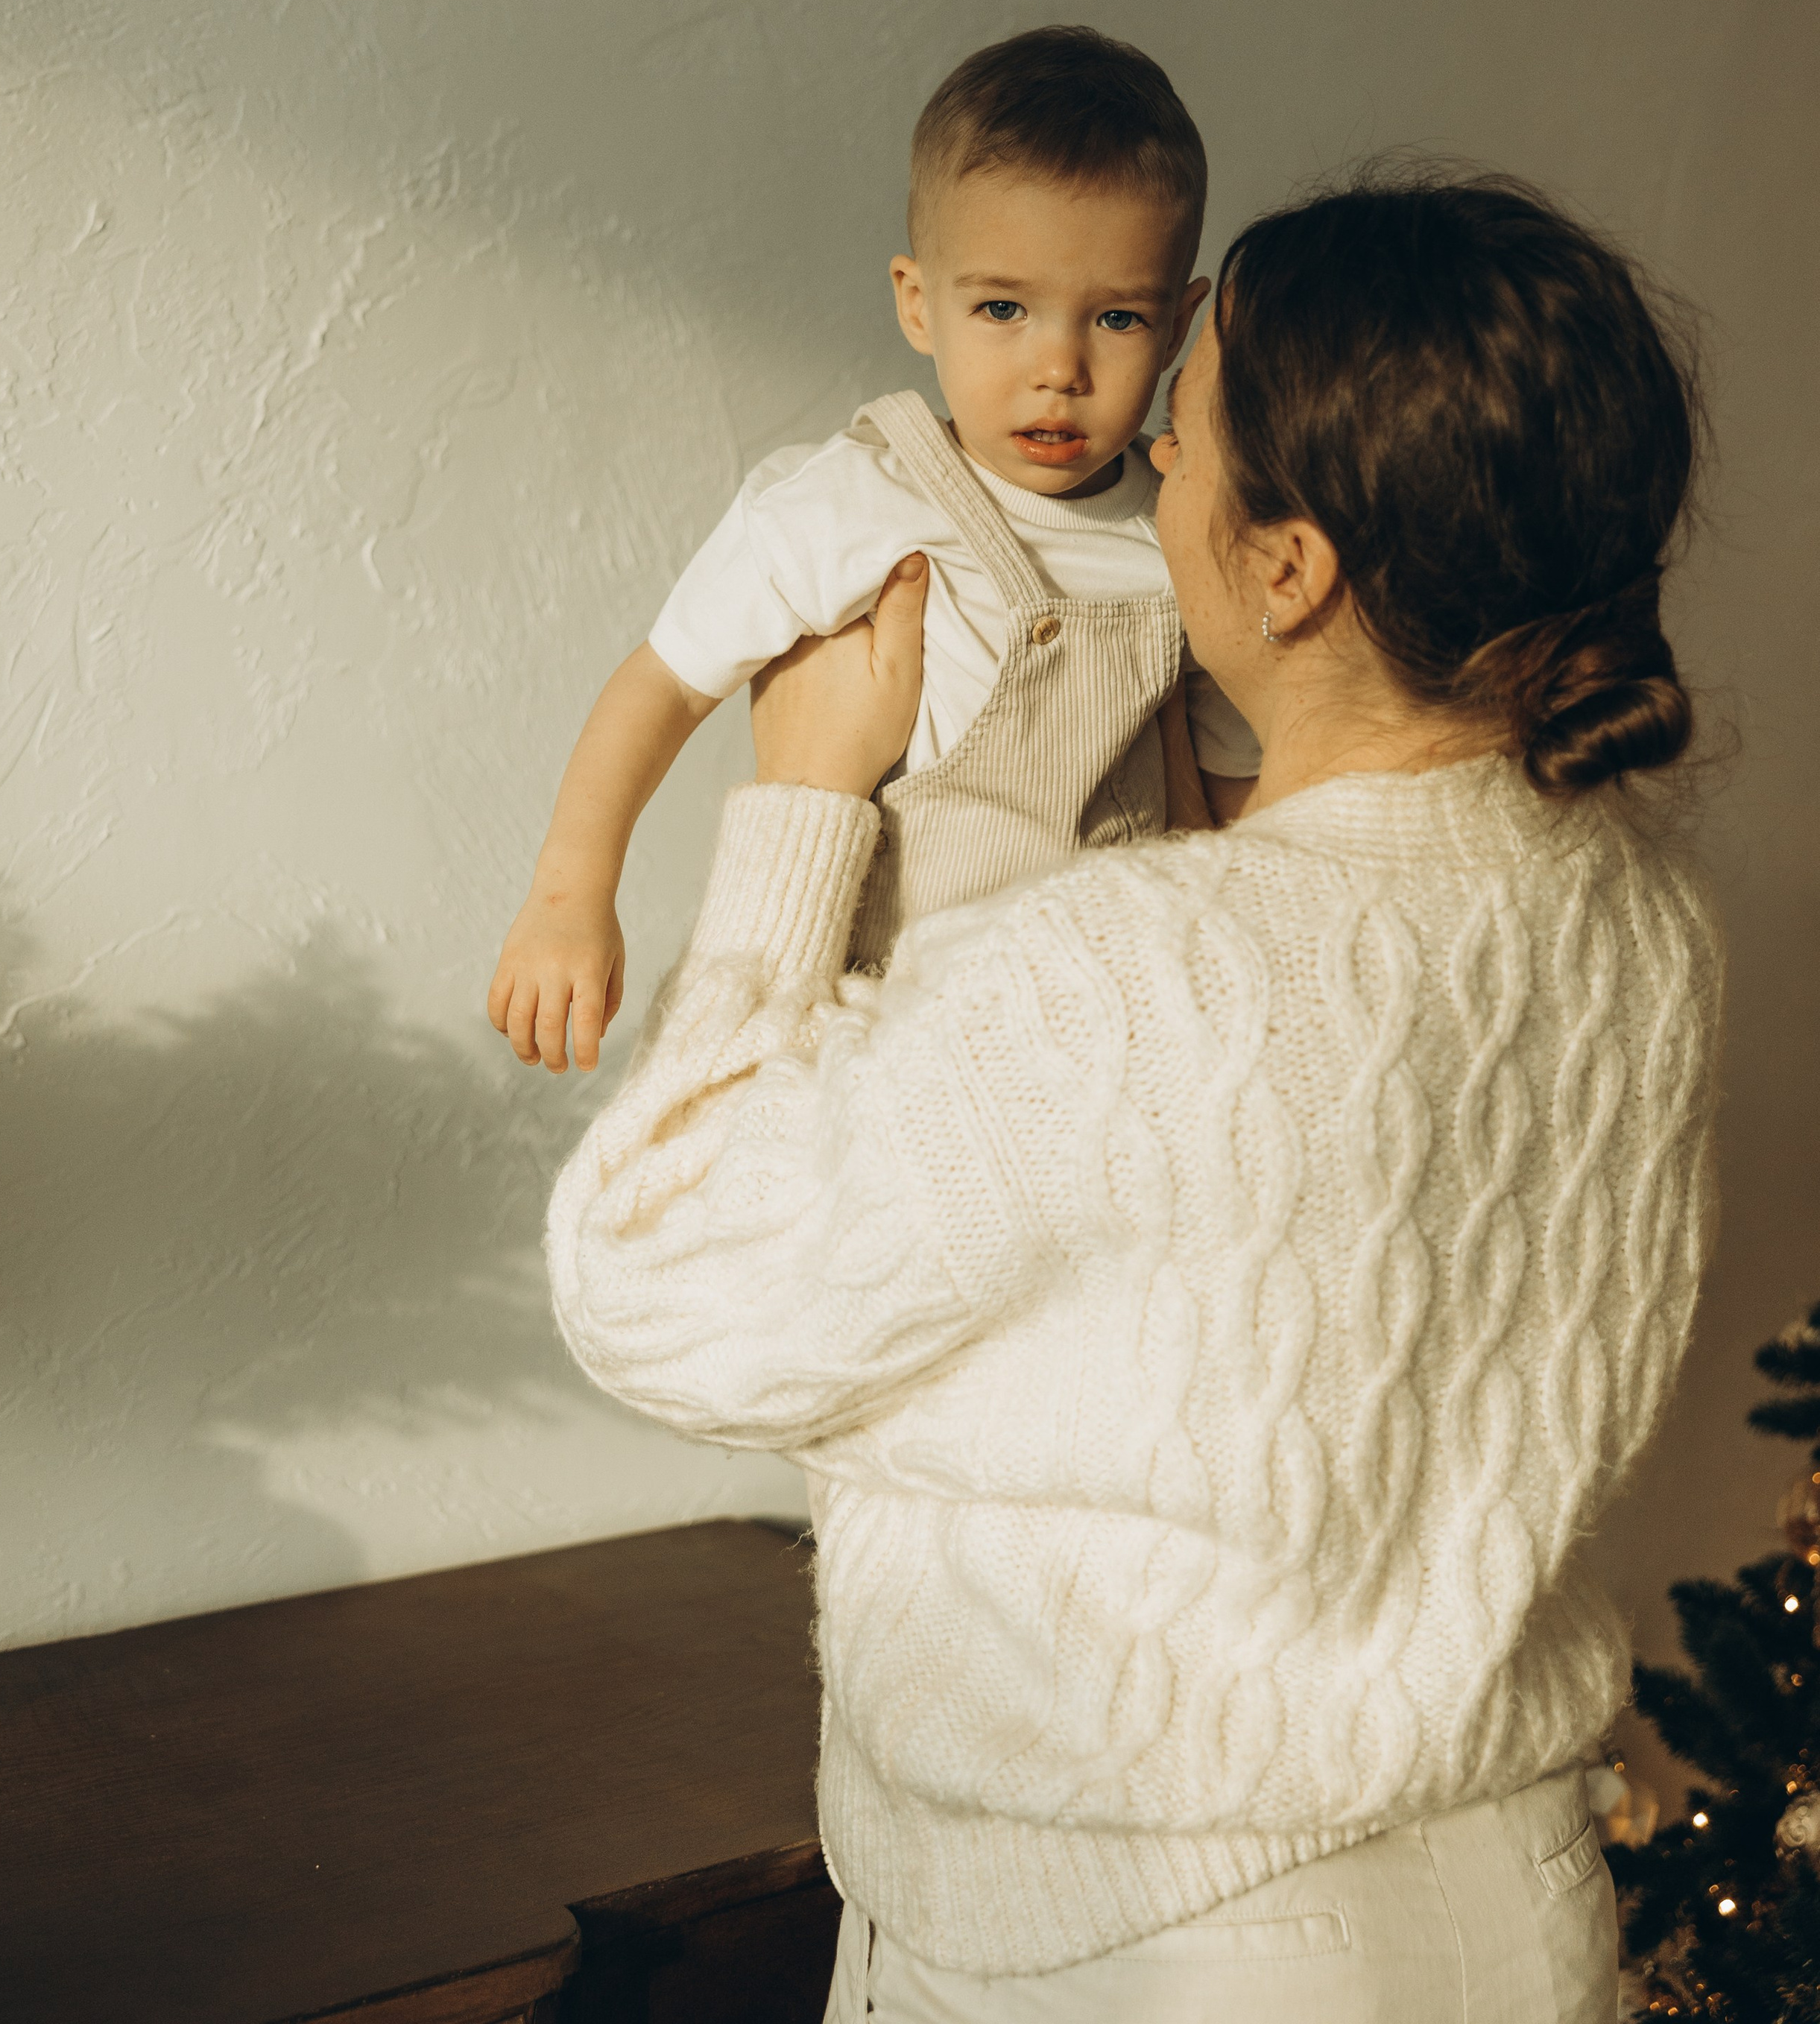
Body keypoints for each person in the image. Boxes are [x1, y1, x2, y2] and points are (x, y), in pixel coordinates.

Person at [546, 169, 1723, 2023]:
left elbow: (658, 1288)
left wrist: (799, 801)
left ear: (1285, 567)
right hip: (1515, 1906)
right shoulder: (1636, 929)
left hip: (1132, 1948)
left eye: (1177, 437)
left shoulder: (1136, 973)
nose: (1141, 458)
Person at [487, 27, 1260, 1070]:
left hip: (1112, 1041)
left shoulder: (1186, 536)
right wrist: (569, 898)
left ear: (1180, 329)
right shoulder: (857, 500)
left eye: (1117, 317)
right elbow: (660, 685)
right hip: (886, 1029)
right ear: (915, 301)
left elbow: (1233, 815)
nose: (1059, 367)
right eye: (1002, 308)